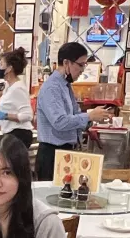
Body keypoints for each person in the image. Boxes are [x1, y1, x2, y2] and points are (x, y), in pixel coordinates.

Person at [35, 43, 103, 181]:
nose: (82, 70)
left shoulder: (65, 85)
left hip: (66, 152)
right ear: (66, 62)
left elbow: (74, 115)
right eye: (80, 65)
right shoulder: (52, 88)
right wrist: (89, 116)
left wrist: (90, 120)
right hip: (52, 155)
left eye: (85, 65)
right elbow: (60, 122)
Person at [0, 47, 33, 147]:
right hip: (9, 134)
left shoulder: (18, 88)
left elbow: (28, 115)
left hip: (19, 135)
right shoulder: (8, 86)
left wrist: (6, 116)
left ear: (9, 68)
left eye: (1, 64)